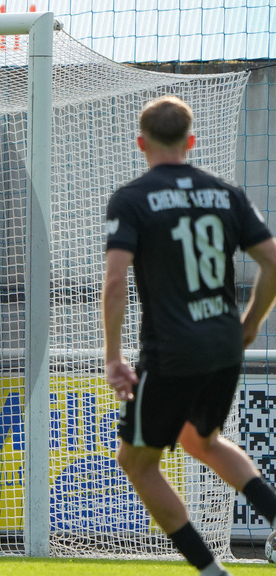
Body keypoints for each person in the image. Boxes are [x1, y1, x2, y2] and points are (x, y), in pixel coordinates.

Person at [103, 95, 276, 576]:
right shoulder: (227, 194)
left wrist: (113, 357)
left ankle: (210, 571)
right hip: (223, 345)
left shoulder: (133, 198)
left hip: (172, 352)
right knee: (202, 440)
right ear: (191, 141)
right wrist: (249, 325)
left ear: (141, 143)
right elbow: (273, 262)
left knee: (137, 463)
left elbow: (115, 282)